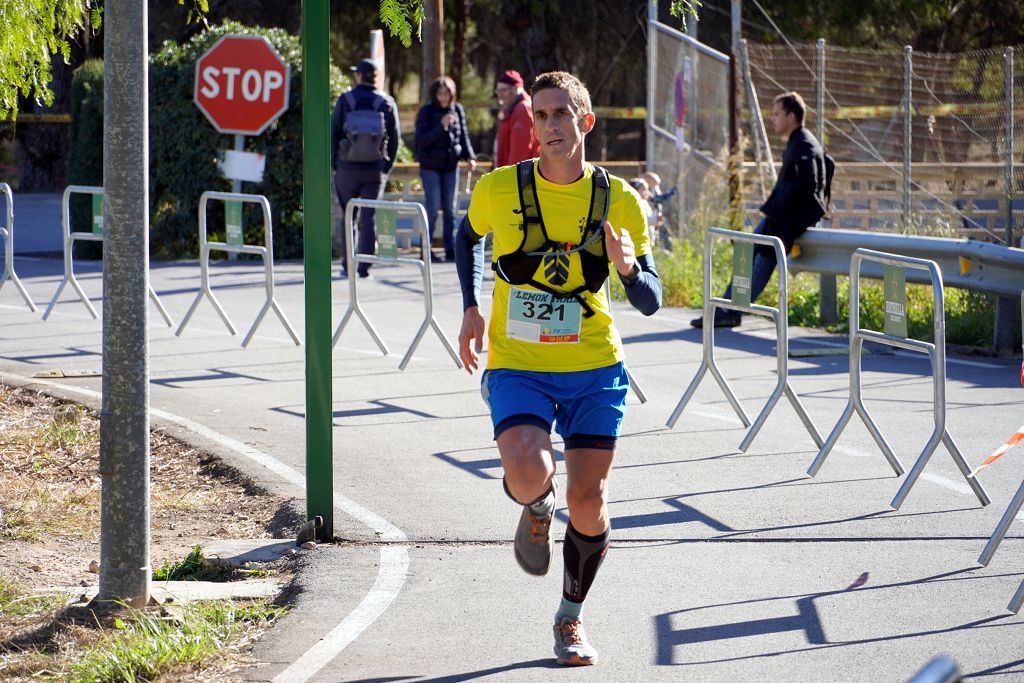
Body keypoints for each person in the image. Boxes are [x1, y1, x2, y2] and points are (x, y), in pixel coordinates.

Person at [455, 71, 662, 667]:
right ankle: (536, 508)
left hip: (594, 365)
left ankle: (570, 619)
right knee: (526, 469)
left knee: (591, 499)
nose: (549, 125)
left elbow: (648, 298)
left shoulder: (620, 201)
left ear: (585, 123)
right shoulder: (500, 189)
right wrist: (471, 307)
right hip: (519, 361)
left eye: (561, 115)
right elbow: (464, 238)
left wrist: (627, 270)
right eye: (541, 115)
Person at [692, 91, 827, 328]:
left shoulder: (804, 144)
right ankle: (723, 308)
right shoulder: (797, 142)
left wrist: (787, 214)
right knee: (746, 255)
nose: (772, 119)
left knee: (761, 262)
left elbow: (809, 188)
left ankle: (733, 310)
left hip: (786, 222)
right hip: (778, 216)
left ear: (791, 116)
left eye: (776, 114)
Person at [331, 58, 400, 279]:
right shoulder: (386, 102)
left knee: (348, 215)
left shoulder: (345, 100)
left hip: (347, 169)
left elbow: (332, 133)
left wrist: (335, 164)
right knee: (369, 217)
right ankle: (364, 266)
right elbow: (395, 138)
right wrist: (385, 167)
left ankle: (347, 264)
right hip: (374, 169)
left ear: (359, 76)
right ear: (375, 77)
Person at [415, 76, 477, 262]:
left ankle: (451, 249)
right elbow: (421, 140)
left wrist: (470, 156)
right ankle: (426, 249)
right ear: (435, 94)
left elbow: (463, 136)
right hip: (430, 166)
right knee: (432, 208)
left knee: (450, 209)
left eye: (447, 93)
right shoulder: (426, 112)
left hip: (451, 166)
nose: (443, 97)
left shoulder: (457, 110)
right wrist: (441, 127)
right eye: (440, 93)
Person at [494, 69, 540, 167]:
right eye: (498, 91)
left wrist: (512, 176)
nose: (499, 95)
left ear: (515, 89)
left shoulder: (522, 110)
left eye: (503, 90)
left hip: (517, 176)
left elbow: (520, 151)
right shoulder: (510, 110)